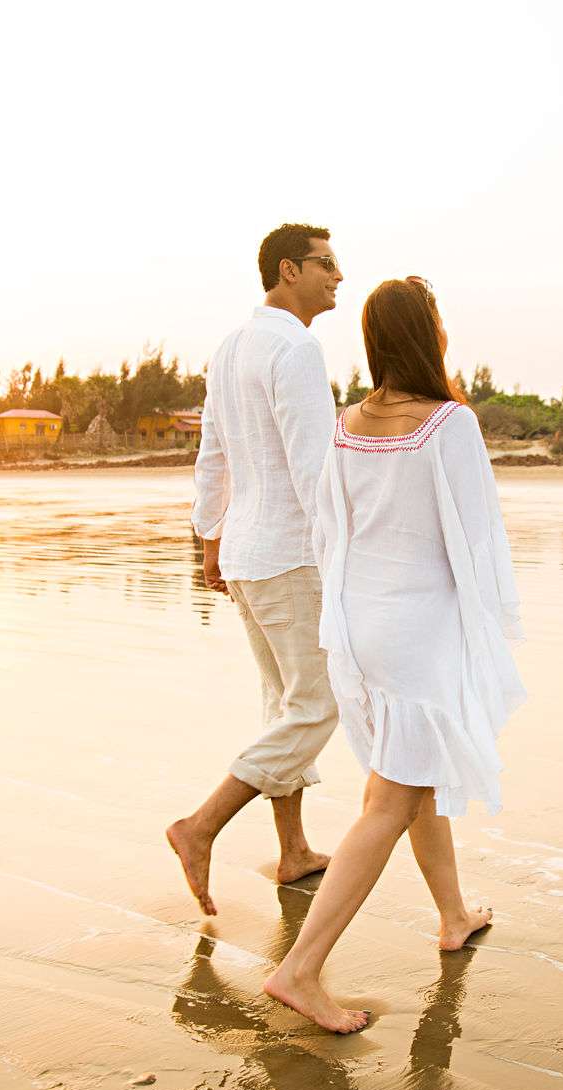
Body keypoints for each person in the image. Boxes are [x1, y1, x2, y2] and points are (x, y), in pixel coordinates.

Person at [263, 277, 525, 1033]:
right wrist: (489, 627)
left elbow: (330, 531)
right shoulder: (449, 424)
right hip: (417, 634)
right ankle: (300, 971)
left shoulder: (347, 424)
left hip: (362, 623)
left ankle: (452, 916)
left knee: (415, 777)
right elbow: (476, 540)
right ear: (429, 332)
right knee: (389, 800)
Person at [167, 223, 346, 917]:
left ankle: (294, 849)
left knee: (283, 703)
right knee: (316, 704)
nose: (337, 277)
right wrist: (343, 552)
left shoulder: (231, 345)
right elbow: (312, 466)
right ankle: (201, 825)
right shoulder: (295, 347)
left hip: (247, 551)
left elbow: (213, 453)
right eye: (326, 264)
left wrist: (210, 537)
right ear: (287, 270)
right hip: (291, 553)